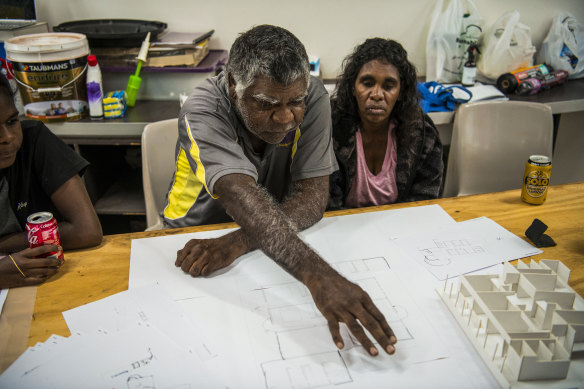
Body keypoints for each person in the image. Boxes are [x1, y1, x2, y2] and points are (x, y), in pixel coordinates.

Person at [163, 25, 396, 356]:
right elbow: (239, 195)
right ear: (233, 86)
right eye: (267, 103)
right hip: (191, 242)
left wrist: (237, 242)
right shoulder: (202, 109)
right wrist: (319, 277)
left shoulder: (312, 96)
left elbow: (313, 198)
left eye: (295, 102)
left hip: (265, 239)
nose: (286, 117)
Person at [0, 74, 103, 289]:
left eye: (12, 121)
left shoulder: (34, 141)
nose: (8, 137)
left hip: (49, 280)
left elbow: (88, 231)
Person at [328, 38, 444, 209]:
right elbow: (328, 204)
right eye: (367, 83)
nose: (377, 94)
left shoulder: (421, 133)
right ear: (353, 87)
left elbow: (426, 201)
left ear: (400, 91)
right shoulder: (332, 129)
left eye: (388, 86)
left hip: (400, 227)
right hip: (343, 228)